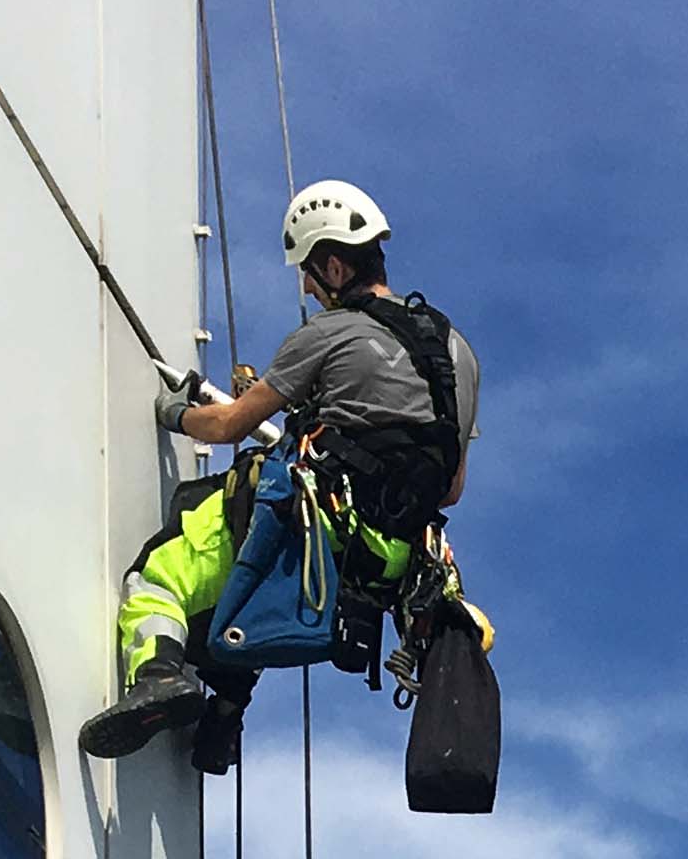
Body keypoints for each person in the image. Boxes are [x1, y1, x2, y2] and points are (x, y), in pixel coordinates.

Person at [79, 180, 480, 764]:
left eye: (312, 278)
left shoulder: (331, 332)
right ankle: (224, 716)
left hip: (318, 522)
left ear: (336, 266)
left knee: (161, 575)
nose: (312, 292)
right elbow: (453, 487)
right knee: (256, 593)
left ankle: (159, 676)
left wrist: (176, 411)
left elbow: (229, 426)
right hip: (386, 565)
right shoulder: (458, 354)